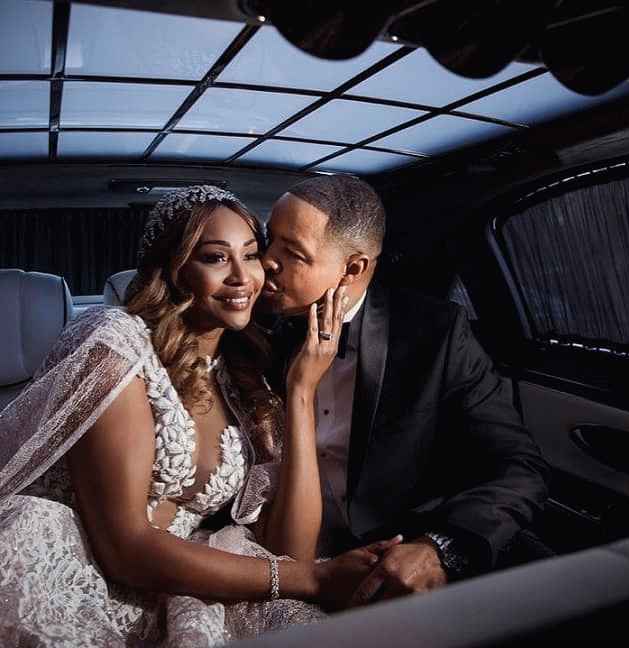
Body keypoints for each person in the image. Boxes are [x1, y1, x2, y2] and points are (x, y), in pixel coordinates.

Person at [0, 185, 401, 647]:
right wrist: (313, 579)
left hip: (175, 577)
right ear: (174, 269)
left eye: (251, 255)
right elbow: (125, 547)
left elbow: (289, 551)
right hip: (78, 567)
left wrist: (301, 391)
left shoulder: (246, 375)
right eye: (215, 258)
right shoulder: (116, 343)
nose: (243, 277)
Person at [260, 175, 551, 604]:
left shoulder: (435, 334)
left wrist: (438, 548)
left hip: (394, 564)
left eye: (293, 253)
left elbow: (520, 468)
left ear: (353, 269)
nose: (266, 261)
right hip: (281, 556)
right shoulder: (251, 325)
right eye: (268, 240)